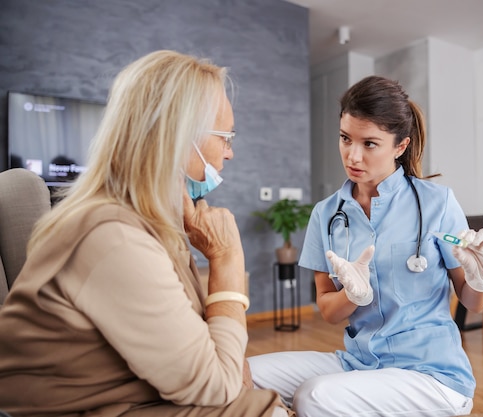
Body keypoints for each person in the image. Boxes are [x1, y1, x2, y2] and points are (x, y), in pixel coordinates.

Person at [0, 50, 291, 417]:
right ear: (179, 137)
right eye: (226, 137)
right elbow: (217, 386)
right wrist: (227, 260)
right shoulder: (112, 237)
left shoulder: (152, 226)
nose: (229, 154)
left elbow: (211, 357)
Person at [248, 75, 483, 417]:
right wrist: (353, 295)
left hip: (430, 375)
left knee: (315, 397)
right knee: (242, 375)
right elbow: (329, 311)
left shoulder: (436, 203)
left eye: (369, 144)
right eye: (345, 138)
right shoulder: (326, 214)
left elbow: (474, 304)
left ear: (400, 146)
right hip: (358, 364)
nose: (353, 155)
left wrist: (482, 279)